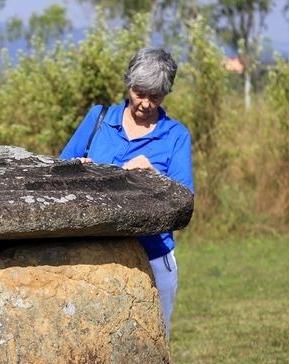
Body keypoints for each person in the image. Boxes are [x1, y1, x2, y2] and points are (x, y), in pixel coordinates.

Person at [59, 47, 193, 338]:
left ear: (166, 93)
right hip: (93, 252)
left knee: (153, 340)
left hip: (154, 256)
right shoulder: (98, 118)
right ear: (128, 85)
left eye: (155, 96)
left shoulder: (176, 135)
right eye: (139, 92)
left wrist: (154, 176)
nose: (145, 103)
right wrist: (77, 168)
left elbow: (184, 202)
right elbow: (59, 171)